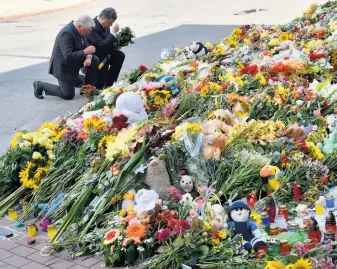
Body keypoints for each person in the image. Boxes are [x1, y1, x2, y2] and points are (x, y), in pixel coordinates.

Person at [33, 15, 99, 100]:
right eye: (88, 30)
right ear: (80, 26)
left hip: (73, 65)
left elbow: (86, 45)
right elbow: (68, 56)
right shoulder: (66, 34)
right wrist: (86, 52)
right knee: (68, 95)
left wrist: (89, 56)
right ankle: (40, 85)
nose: (89, 32)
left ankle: (87, 89)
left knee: (94, 59)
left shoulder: (81, 31)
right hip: (63, 68)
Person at [86, 8, 125, 89]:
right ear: (102, 18)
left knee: (120, 55)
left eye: (112, 23)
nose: (110, 25)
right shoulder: (92, 27)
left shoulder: (104, 24)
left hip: (105, 54)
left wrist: (119, 43)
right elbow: (102, 45)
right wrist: (113, 33)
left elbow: (108, 41)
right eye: (109, 23)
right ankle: (81, 78)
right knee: (99, 85)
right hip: (96, 57)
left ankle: (110, 83)